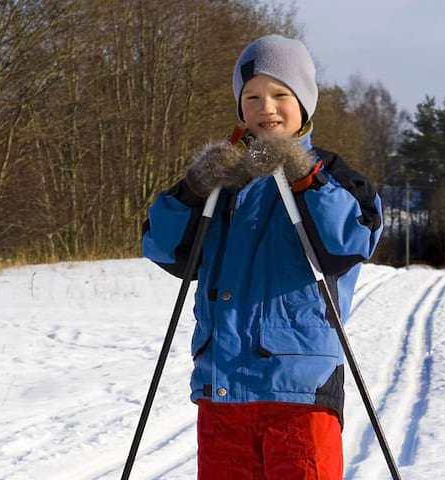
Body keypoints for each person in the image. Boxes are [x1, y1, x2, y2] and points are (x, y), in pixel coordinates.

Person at [142, 34, 383, 480]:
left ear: (305, 102)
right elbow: (163, 246)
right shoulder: (224, 180)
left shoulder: (331, 177)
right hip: (222, 391)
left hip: (299, 394)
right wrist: (194, 186)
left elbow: (349, 242)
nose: (265, 107)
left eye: (280, 94)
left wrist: (302, 175)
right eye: (251, 97)